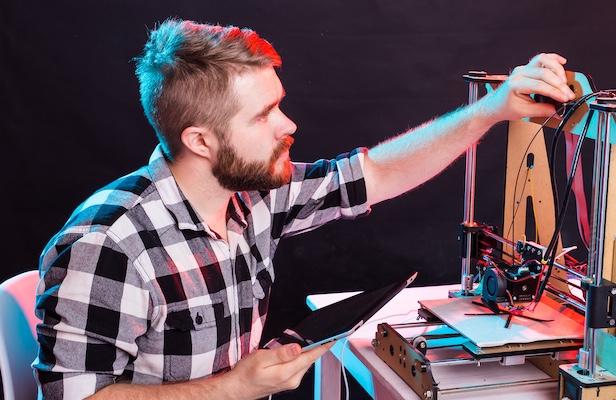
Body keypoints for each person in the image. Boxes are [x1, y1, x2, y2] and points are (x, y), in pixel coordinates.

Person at [32, 18, 574, 400]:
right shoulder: (107, 246)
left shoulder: (252, 193)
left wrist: (493, 110)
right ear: (200, 140)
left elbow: (375, 173)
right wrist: (236, 388)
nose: (288, 125)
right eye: (264, 114)